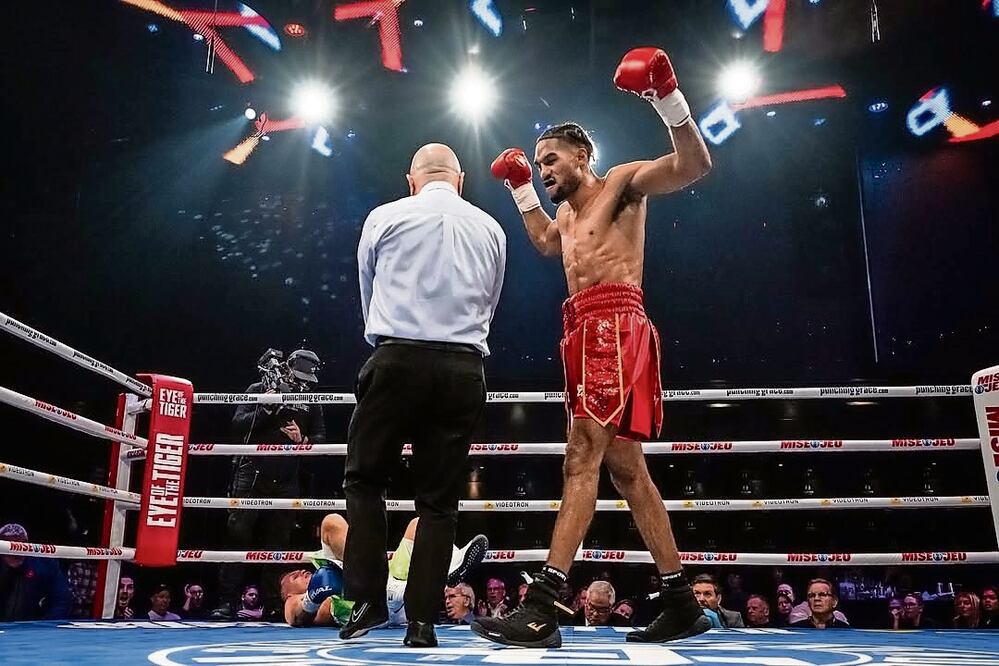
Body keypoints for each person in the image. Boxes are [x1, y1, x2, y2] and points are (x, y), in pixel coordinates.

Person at [472, 46, 711, 649]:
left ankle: (542, 606)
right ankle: (681, 600)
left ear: (584, 155)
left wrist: (666, 98)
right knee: (628, 472)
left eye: (550, 161)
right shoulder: (567, 220)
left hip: (614, 326)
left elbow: (694, 165)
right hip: (582, 332)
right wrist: (523, 191)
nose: (544, 169)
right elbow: (547, 247)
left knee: (580, 459)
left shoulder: (624, 184)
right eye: (538, 164)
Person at [341, 143, 506, 648]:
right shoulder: (491, 228)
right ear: (461, 180)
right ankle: (422, 622)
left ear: (410, 180)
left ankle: (368, 602)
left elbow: (368, 293)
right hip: (462, 367)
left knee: (365, 481)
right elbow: (490, 301)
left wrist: (389, 342)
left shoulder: (385, 216)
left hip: (397, 357)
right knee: (439, 503)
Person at [211, 349, 327, 620]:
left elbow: (322, 438)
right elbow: (237, 425)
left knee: (278, 543)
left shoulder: (311, 400)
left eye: (307, 381)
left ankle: (274, 603)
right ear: (287, 369)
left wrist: (304, 440)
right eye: (300, 378)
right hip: (251, 473)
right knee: (237, 538)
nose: (303, 384)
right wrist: (265, 407)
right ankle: (226, 602)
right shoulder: (258, 388)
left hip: (287, 479)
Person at [280, 514, 487, 628]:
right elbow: (293, 615)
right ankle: (390, 589)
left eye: (299, 571)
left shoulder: (325, 564)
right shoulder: (303, 600)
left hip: (389, 578)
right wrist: (311, 598)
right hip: (373, 606)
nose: (301, 572)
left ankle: (452, 565)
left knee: (418, 525)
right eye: (294, 577)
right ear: (288, 593)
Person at [0, 523, 71, 621]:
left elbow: (61, 599)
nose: (14, 554)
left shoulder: (45, 565)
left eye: (21, 545)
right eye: (9, 547)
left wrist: (44, 628)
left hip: (31, 627)